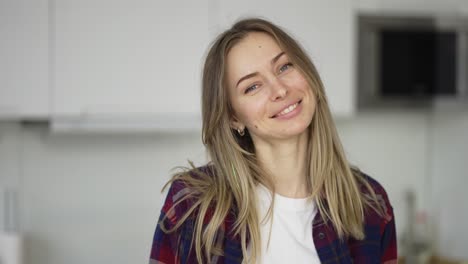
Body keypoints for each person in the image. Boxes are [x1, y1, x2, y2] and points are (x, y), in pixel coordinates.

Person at [149, 17, 397, 264]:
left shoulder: (371, 203)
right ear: (234, 118)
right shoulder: (192, 205)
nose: (279, 90)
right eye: (252, 87)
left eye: (284, 67)